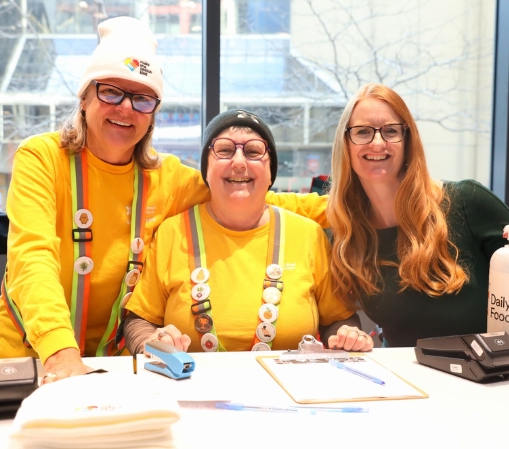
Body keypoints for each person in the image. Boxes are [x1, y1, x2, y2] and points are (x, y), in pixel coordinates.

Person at [0, 17, 327, 383]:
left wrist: (350, 208)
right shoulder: (42, 158)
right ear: (84, 97)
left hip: (116, 366)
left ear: (153, 115)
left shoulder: (166, 178)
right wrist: (60, 355)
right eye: (110, 91)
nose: (126, 108)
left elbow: (251, 197)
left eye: (143, 99)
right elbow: (32, 258)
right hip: (33, 356)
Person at [122, 109, 373, 354]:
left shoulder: (309, 235)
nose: (239, 162)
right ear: (206, 170)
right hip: (191, 378)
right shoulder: (172, 233)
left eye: (253, 151)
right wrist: (151, 342)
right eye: (224, 150)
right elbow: (139, 320)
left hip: (288, 380)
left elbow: (338, 319)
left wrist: (347, 335)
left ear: (271, 172)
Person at [326, 82, 509, 347]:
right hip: (400, 371)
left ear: (408, 140)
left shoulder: (467, 202)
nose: (377, 142)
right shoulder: (345, 237)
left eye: (391, 131)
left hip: (484, 369)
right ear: (345, 144)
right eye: (362, 132)